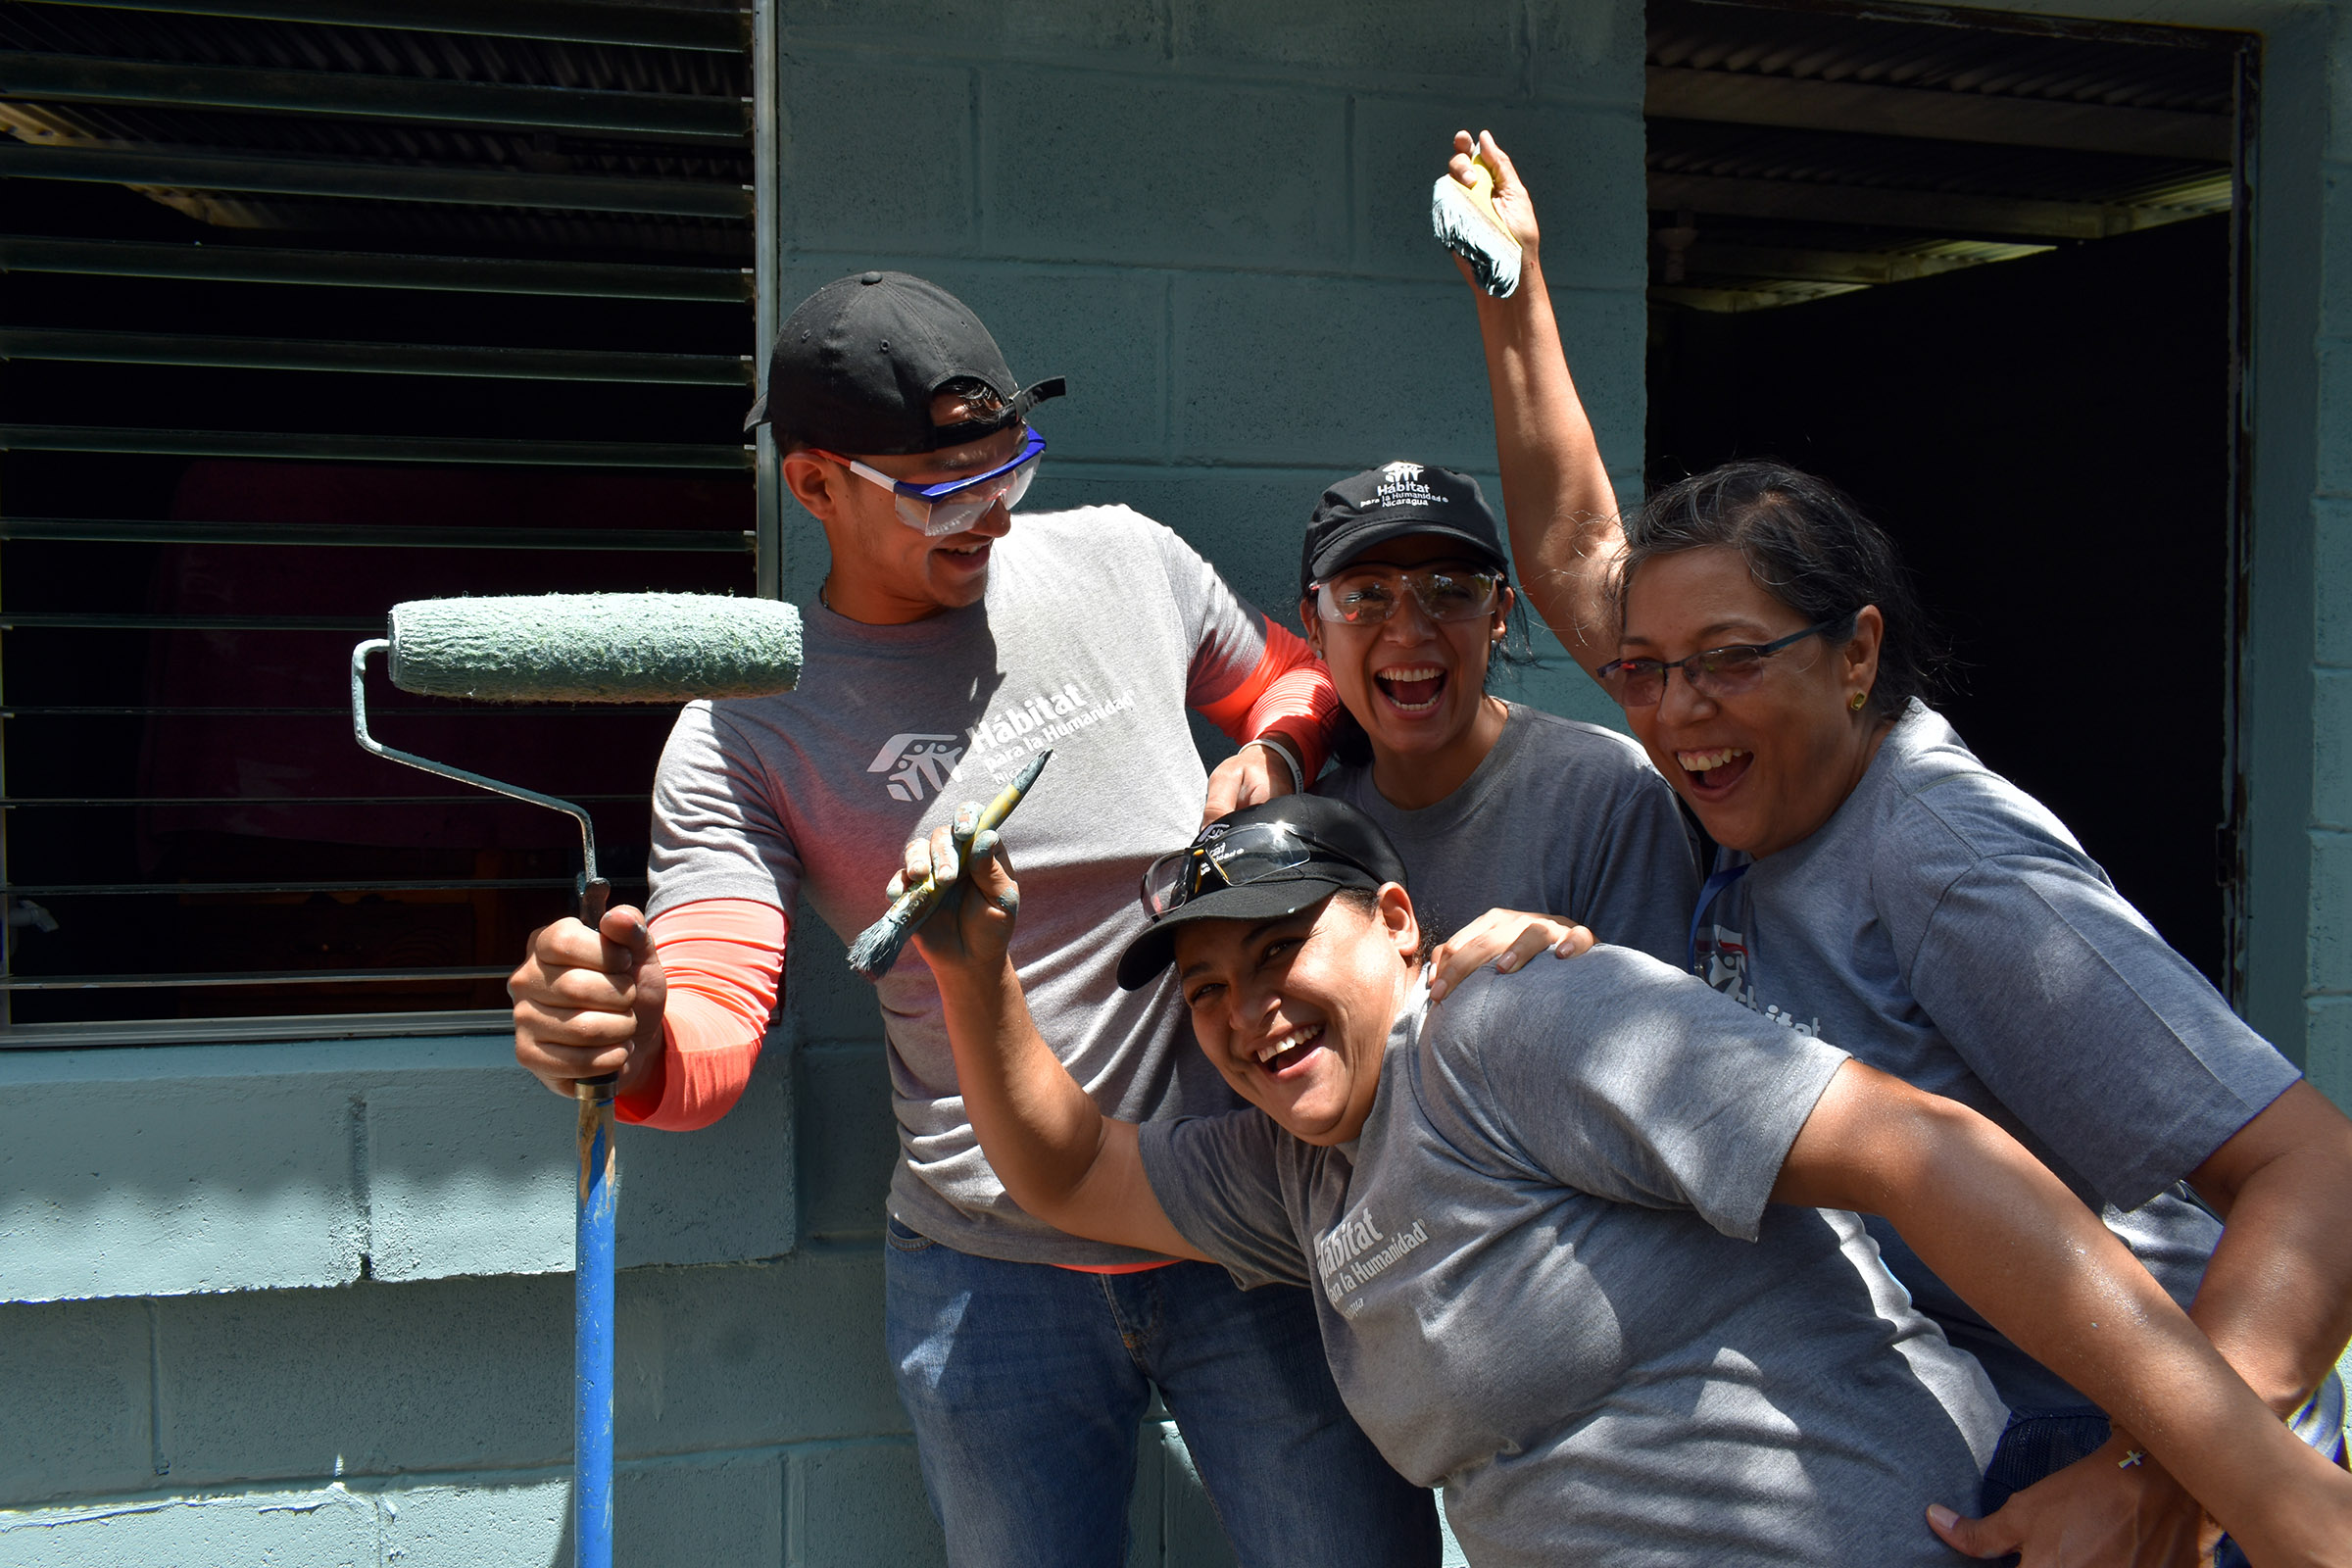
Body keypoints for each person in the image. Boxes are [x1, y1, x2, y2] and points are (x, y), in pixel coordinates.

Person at [1449, 126, 2352, 1563]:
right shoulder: (1753, 770)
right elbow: (1574, 557)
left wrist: (2163, 1479)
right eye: (1647, 670)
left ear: (1857, 654)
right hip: (1993, 1398)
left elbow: (2314, 1167)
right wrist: (1515, 295)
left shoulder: (1940, 857)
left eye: (1728, 661)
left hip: (2161, 1422)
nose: (1678, 711)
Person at [506, 271, 1439, 1566]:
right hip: (989, 1278)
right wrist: (631, 1031)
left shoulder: (1123, 557)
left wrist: (1275, 757)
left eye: (1011, 468)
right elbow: (711, 1029)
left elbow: (1288, 676)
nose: (993, 515)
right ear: (816, 486)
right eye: (944, 492)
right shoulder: (743, 729)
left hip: (1247, 1235)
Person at [896, 790, 2352, 1567]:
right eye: (1207, 992)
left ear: (1401, 923)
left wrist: (2251, 1484)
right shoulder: (1293, 1175)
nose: (1248, 1010)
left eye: (1281, 953)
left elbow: (1924, 1155)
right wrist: (974, 975)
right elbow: (1073, 1169)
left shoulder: (1510, 1029)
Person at [1293, 461, 1696, 973]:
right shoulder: (1309, 833)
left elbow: (1665, 1034)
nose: (1410, 630)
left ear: (1499, 614)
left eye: (1449, 590)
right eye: (1367, 596)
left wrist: (1576, 969)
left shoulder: (1608, 797)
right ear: (1315, 625)